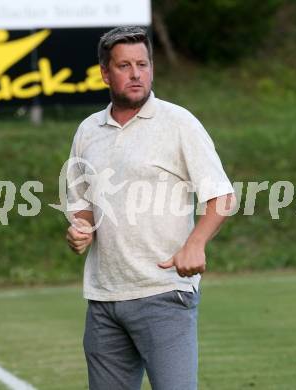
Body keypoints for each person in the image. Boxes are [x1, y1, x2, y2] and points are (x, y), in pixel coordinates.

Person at [66, 26, 236, 390]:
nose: (136, 73)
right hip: (104, 298)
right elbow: (82, 205)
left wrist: (195, 243)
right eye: (124, 66)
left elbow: (221, 196)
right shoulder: (88, 131)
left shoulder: (179, 123)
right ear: (105, 73)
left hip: (164, 293)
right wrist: (80, 229)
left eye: (142, 64)